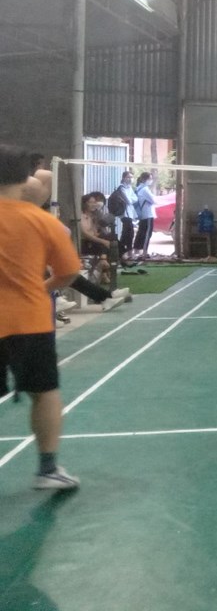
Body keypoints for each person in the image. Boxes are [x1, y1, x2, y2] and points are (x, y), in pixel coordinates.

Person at [0, 145, 83, 489]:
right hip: (30, 322)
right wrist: (41, 289)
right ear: (24, 179)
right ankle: (47, 469)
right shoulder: (42, 220)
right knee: (45, 392)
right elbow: (69, 272)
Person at [113, 171, 139, 259]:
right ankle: (128, 251)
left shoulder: (129, 188)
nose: (130, 179)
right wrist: (131, 199)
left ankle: (122, 251)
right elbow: (129, 200)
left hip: (129, 213)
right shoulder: (122, 188)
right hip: (124, 214)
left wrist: (131, 199)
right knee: (130, 232)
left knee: (126, 233)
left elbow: (135, 198)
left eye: (131, 177)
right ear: (123, 178)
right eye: (128, 177)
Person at [132, 172, 157, 259]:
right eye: (150, 179)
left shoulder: (139, 188)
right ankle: (144, 252)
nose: (151, 180)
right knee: (147, 233)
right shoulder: (145, 189)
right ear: (144, 179)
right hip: (148, 214)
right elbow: (153, 200)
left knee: (141, 232)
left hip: (142, 214)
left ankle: (137, 250)